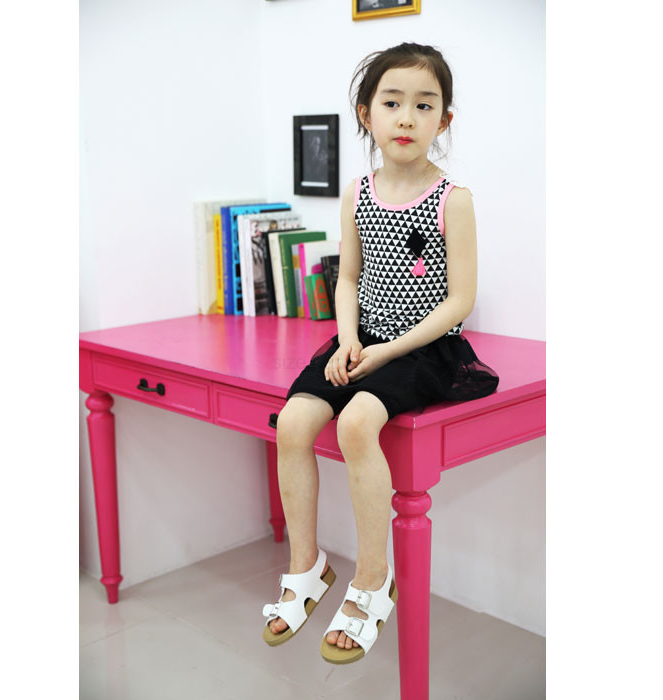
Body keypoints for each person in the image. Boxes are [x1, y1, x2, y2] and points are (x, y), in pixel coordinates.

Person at [261, 42, 499, 663]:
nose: (406, 118)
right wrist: (348, 338)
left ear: (443, 119)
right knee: (292, 421)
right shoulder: (358, 193)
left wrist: (389, 347)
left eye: (424, 105)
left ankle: (373, 576)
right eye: (392, 103)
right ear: (367, 114)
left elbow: (460, 300)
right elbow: (348, 278)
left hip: (424, 347)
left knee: (357, 422)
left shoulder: (453, 199)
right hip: (362, 336)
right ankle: (307, 566)